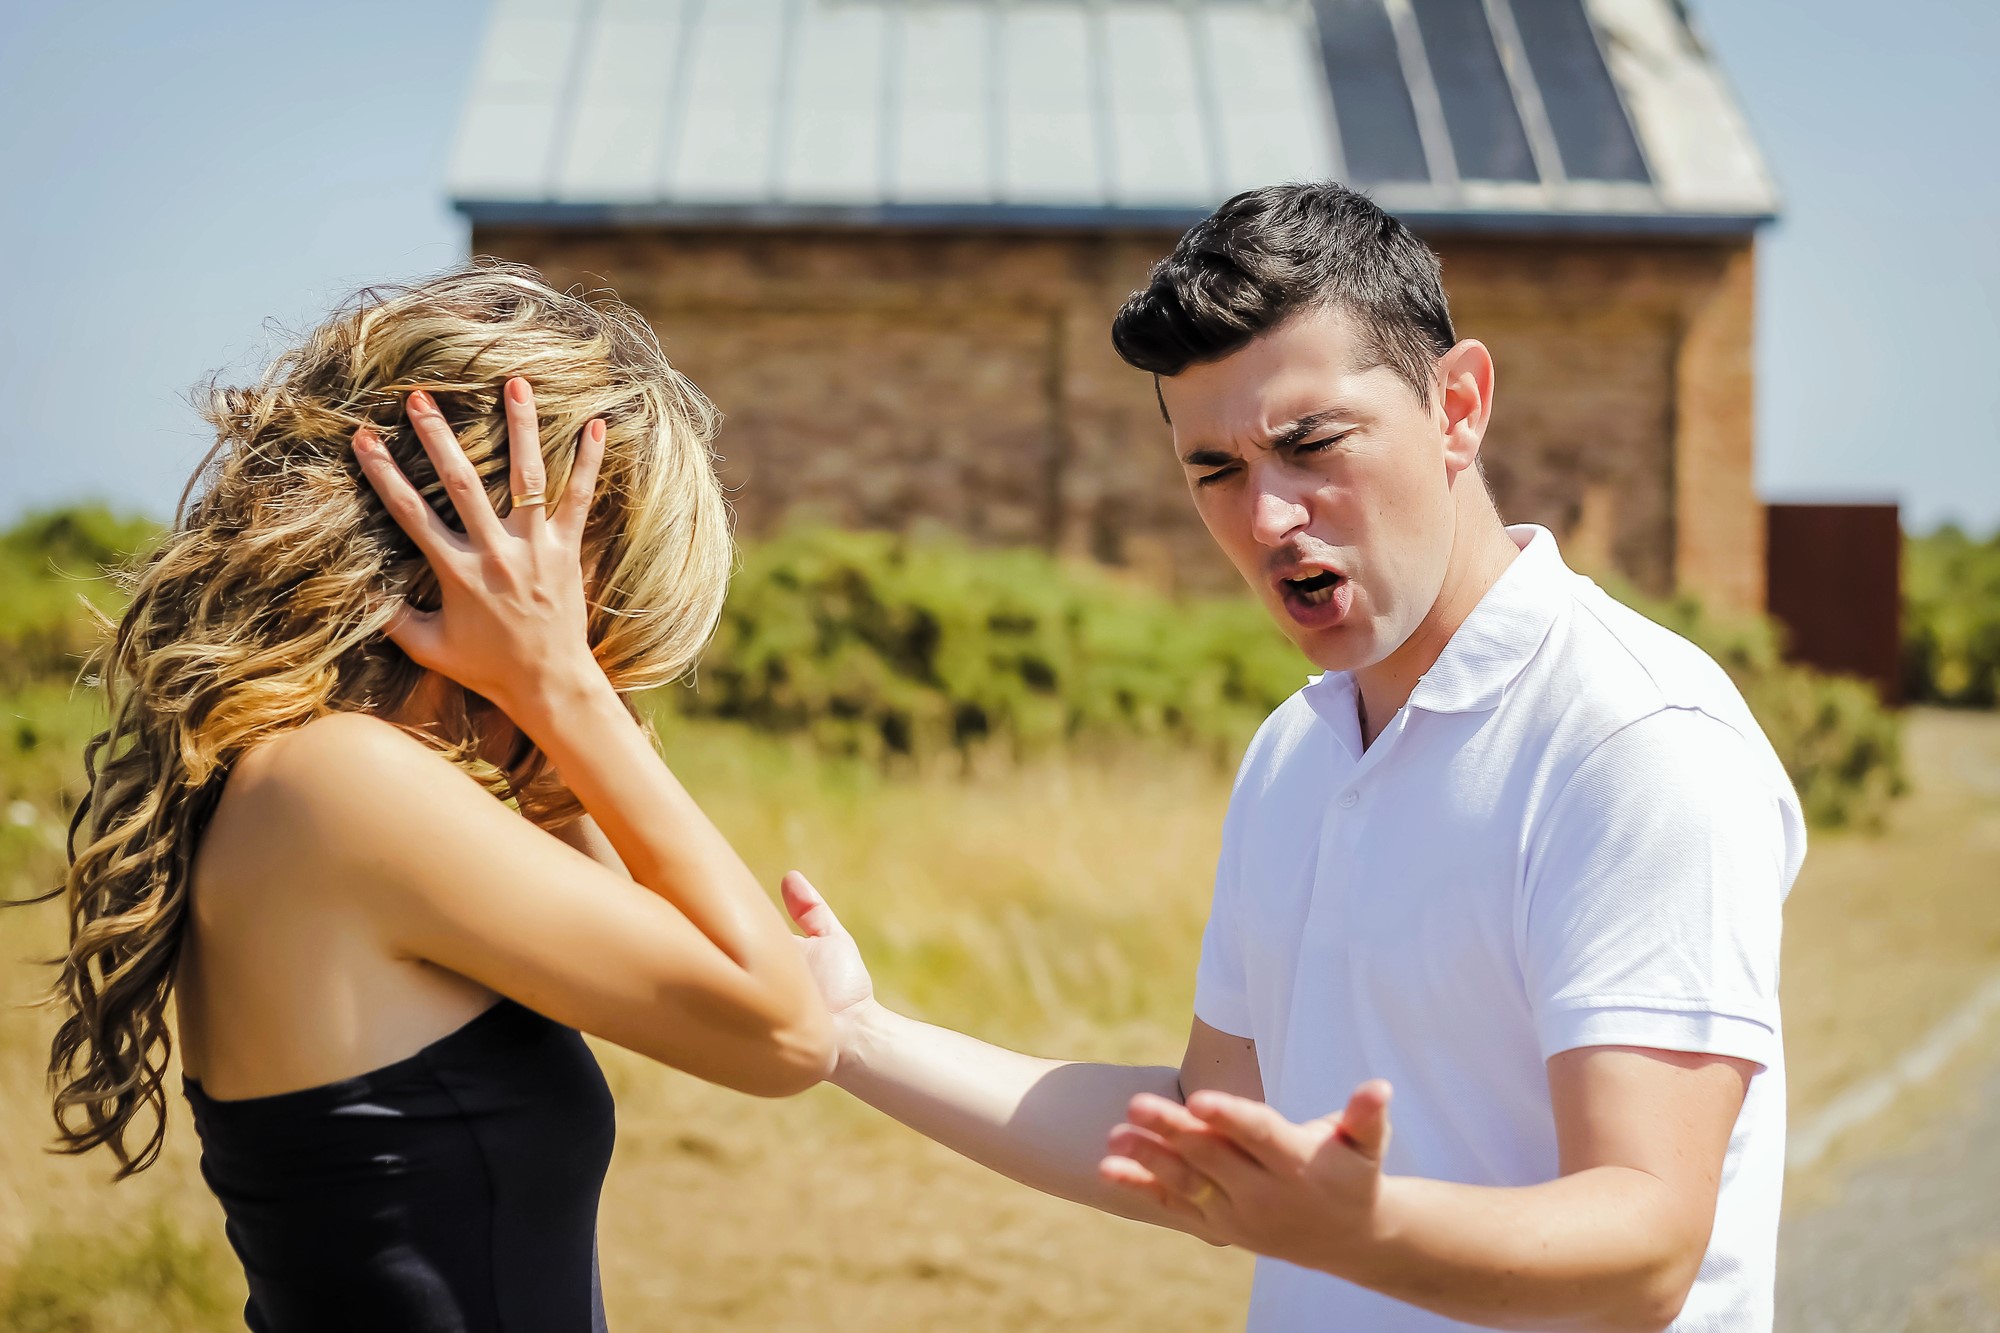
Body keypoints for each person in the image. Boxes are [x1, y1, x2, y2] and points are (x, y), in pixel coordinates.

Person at [784, 182, 1804, 1331]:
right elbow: (1207, 1125)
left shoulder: (1631, 740)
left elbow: (1645, 1245)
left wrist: (1359, 1233)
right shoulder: (1295, 750)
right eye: (1213, 470)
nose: (1266, 516)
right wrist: (853, 1037)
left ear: (1458, 404)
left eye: (1308, 443)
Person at [45, 265, 833, 1332]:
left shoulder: (325, 780)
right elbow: (779, 1036)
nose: (609, 660)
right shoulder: (337, 784)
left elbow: (697, 971)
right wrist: (558, 687)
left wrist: (553, 723)